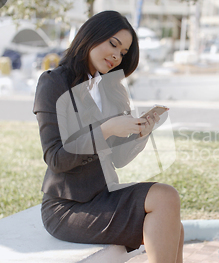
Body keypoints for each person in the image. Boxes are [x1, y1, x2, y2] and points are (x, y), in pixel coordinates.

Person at [32, 11, 184, 263]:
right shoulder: (54, 84)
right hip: (67, 206)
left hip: (105, 196)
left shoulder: (113, 90)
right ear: (91, 36)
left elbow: (120, 159)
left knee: (173, 220)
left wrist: (141, 134)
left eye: (123, 52)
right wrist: (106, 129)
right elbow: (55, 158)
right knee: (166, 201)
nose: (116, 55)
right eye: (113, 44)